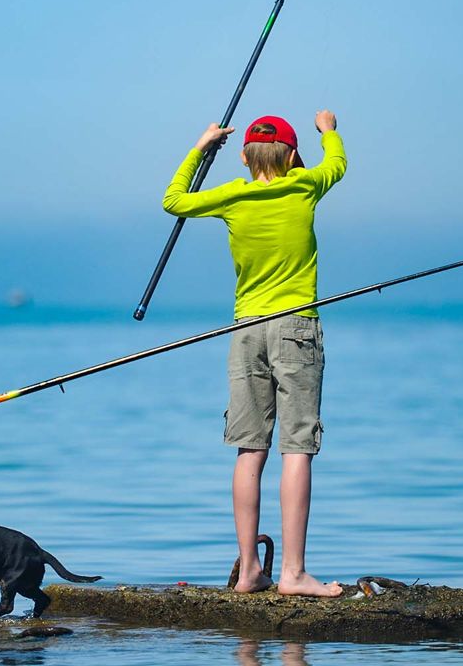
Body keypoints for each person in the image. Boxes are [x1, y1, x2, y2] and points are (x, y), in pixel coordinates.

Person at [163, 110, 347, 597]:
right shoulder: (305, 185)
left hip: (246, 331)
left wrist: (201, 147)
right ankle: (292, 573)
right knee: (297, 449)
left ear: (243, 157)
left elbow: (172, 201)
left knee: (251, 448)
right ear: (291, 156)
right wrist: (328, 130)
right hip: (297, 329)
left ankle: (248, 571)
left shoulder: (232, 196)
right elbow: (338, 163)